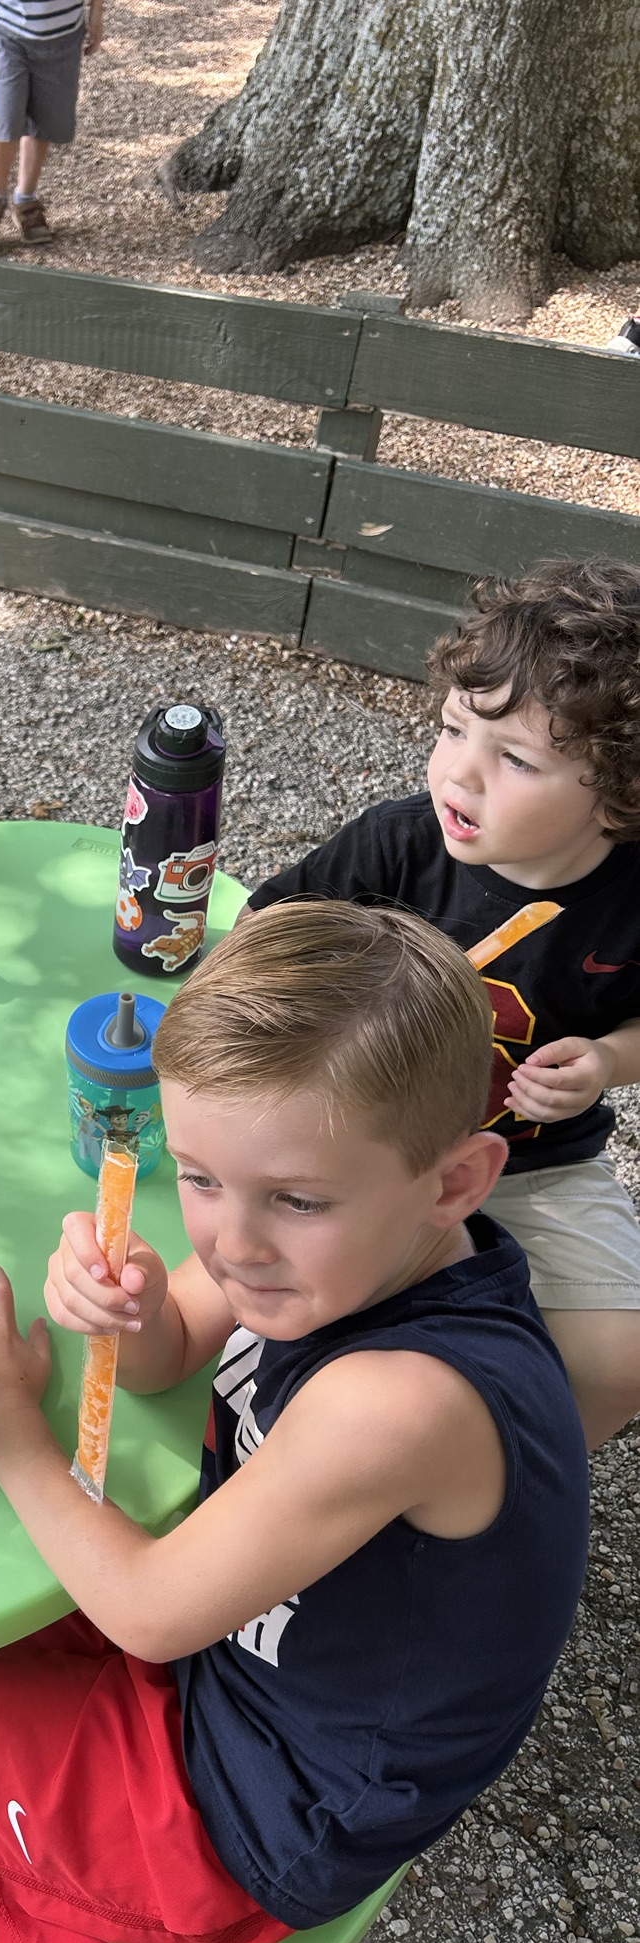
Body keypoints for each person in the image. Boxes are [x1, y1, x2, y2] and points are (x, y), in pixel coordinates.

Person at [0, 901, 588, 1943]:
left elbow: (146, 1610)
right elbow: (177, 1342)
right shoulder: (358, 1242)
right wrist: (131, 1307)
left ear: (456, 1181)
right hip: (248, 1654)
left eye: (296, 1198)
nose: (232, 1242)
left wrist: (5, 1426)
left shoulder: (398, 1403)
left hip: (271, 1803)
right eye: (196, 1176)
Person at [248, 558, 640, 1449]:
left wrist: (607, 1061)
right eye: (455, 728)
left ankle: (522, 1480)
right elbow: (264, 936)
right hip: (356, 1141)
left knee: (619, 1360)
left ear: (620, 795)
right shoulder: (398, 847)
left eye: (516, 758)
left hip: (534, 1160)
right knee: (297, 1312)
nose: (460, 773)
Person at [0, 0, 103, 253]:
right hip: (8, 31)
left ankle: (25, 200)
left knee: (44, 118)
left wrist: (97, 13)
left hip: (63, 36)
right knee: (7, 116)